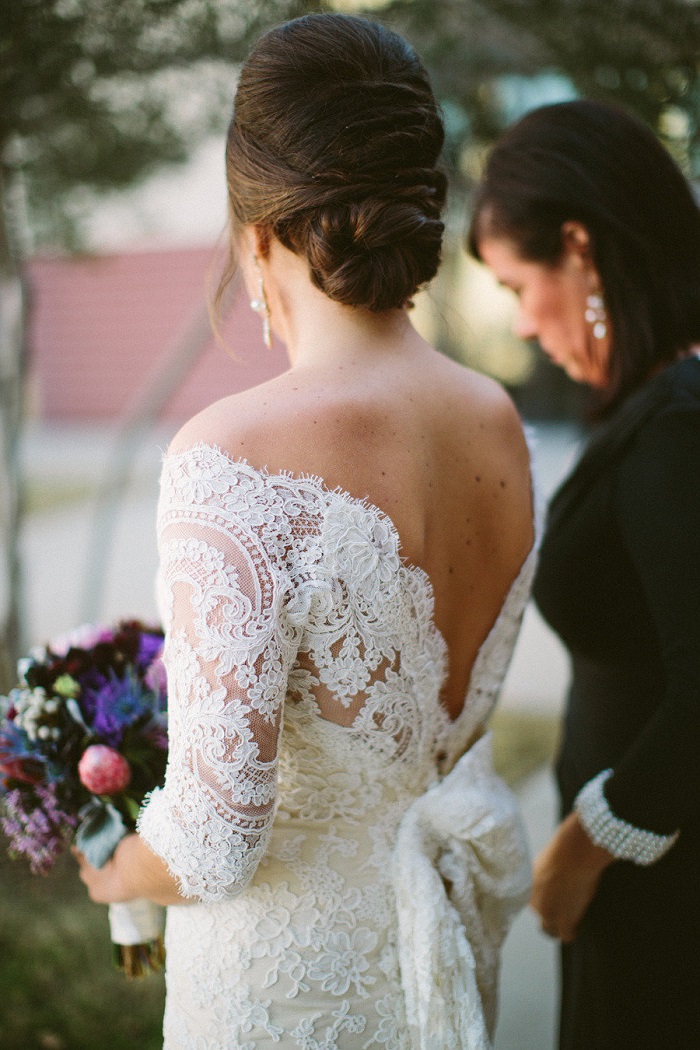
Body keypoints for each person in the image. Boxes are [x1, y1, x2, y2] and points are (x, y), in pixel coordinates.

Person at [76, 13, 536, 1048]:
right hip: (441, 958)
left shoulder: (229, 456)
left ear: (256, 229)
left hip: (285, 1000)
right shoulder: (497, 423)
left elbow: (210, 839)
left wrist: (111, 861)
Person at [469, 98, 700, 1049]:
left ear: (581, 246)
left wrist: (589, 842)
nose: (522, 324)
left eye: (522, 286)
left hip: (661, 886)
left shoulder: (677, 429)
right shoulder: (655, 404)